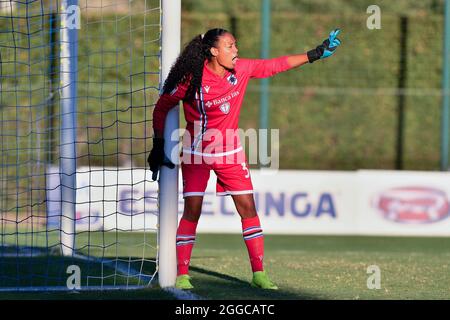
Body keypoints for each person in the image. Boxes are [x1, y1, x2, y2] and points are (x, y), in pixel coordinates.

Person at [148, 28, 341, 290]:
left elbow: (274, 65)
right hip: (196, 152)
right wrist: (158, 145)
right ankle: (182, 274)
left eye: (235, 45)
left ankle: (259, 273)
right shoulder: (192, 77)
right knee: (192, 209)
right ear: (214, 51)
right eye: (229, 46)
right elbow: (162, 107)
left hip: (229, 152)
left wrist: (314, 54)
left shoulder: (241, 69)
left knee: (247, 208)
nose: (236, 50)